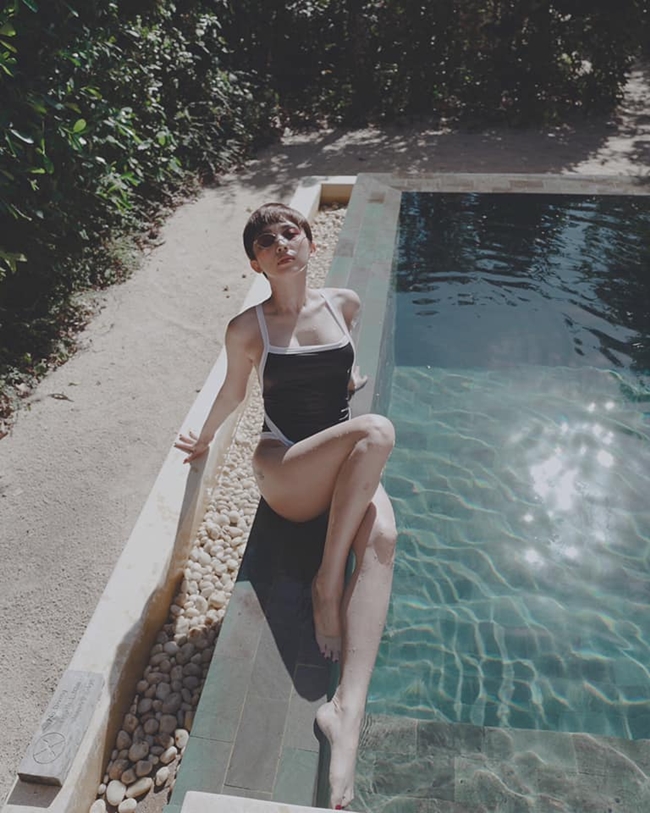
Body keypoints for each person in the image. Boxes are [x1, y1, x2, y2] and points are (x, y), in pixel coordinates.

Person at [174, 202, 396, 810]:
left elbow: (343, 371)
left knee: (383, 538)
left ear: (309, 241)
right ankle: (328, 583)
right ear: (257, 263)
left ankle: (345, 715)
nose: (281, 243)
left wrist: (345, 381)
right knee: (377, 431)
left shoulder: (344, 304)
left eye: (290, 232)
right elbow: (234, 392)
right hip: (286, 468)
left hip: (339, 464)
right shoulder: (250, 328)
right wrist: (203, 436)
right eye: (266, 242)